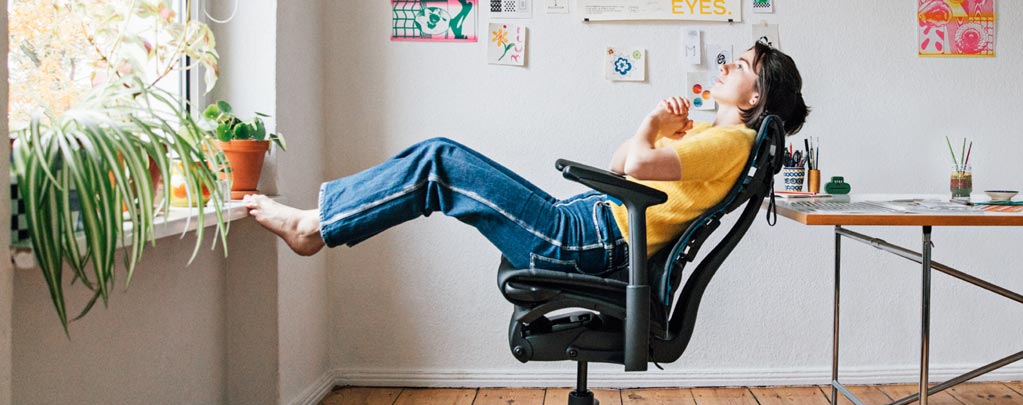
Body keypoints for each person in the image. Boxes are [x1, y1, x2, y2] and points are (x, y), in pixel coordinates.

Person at [244, 42, 809, 275]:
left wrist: (651, 127)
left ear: (755, 95)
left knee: (440, 159)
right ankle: (318, 222)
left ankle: (314, 225)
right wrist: (657, 131)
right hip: (591, 223)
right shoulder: (718, 137)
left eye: (738, 65)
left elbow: (632, 165)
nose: (725, 67)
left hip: (585, 238)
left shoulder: (729, 142)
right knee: (437, 160)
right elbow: (621, 166)